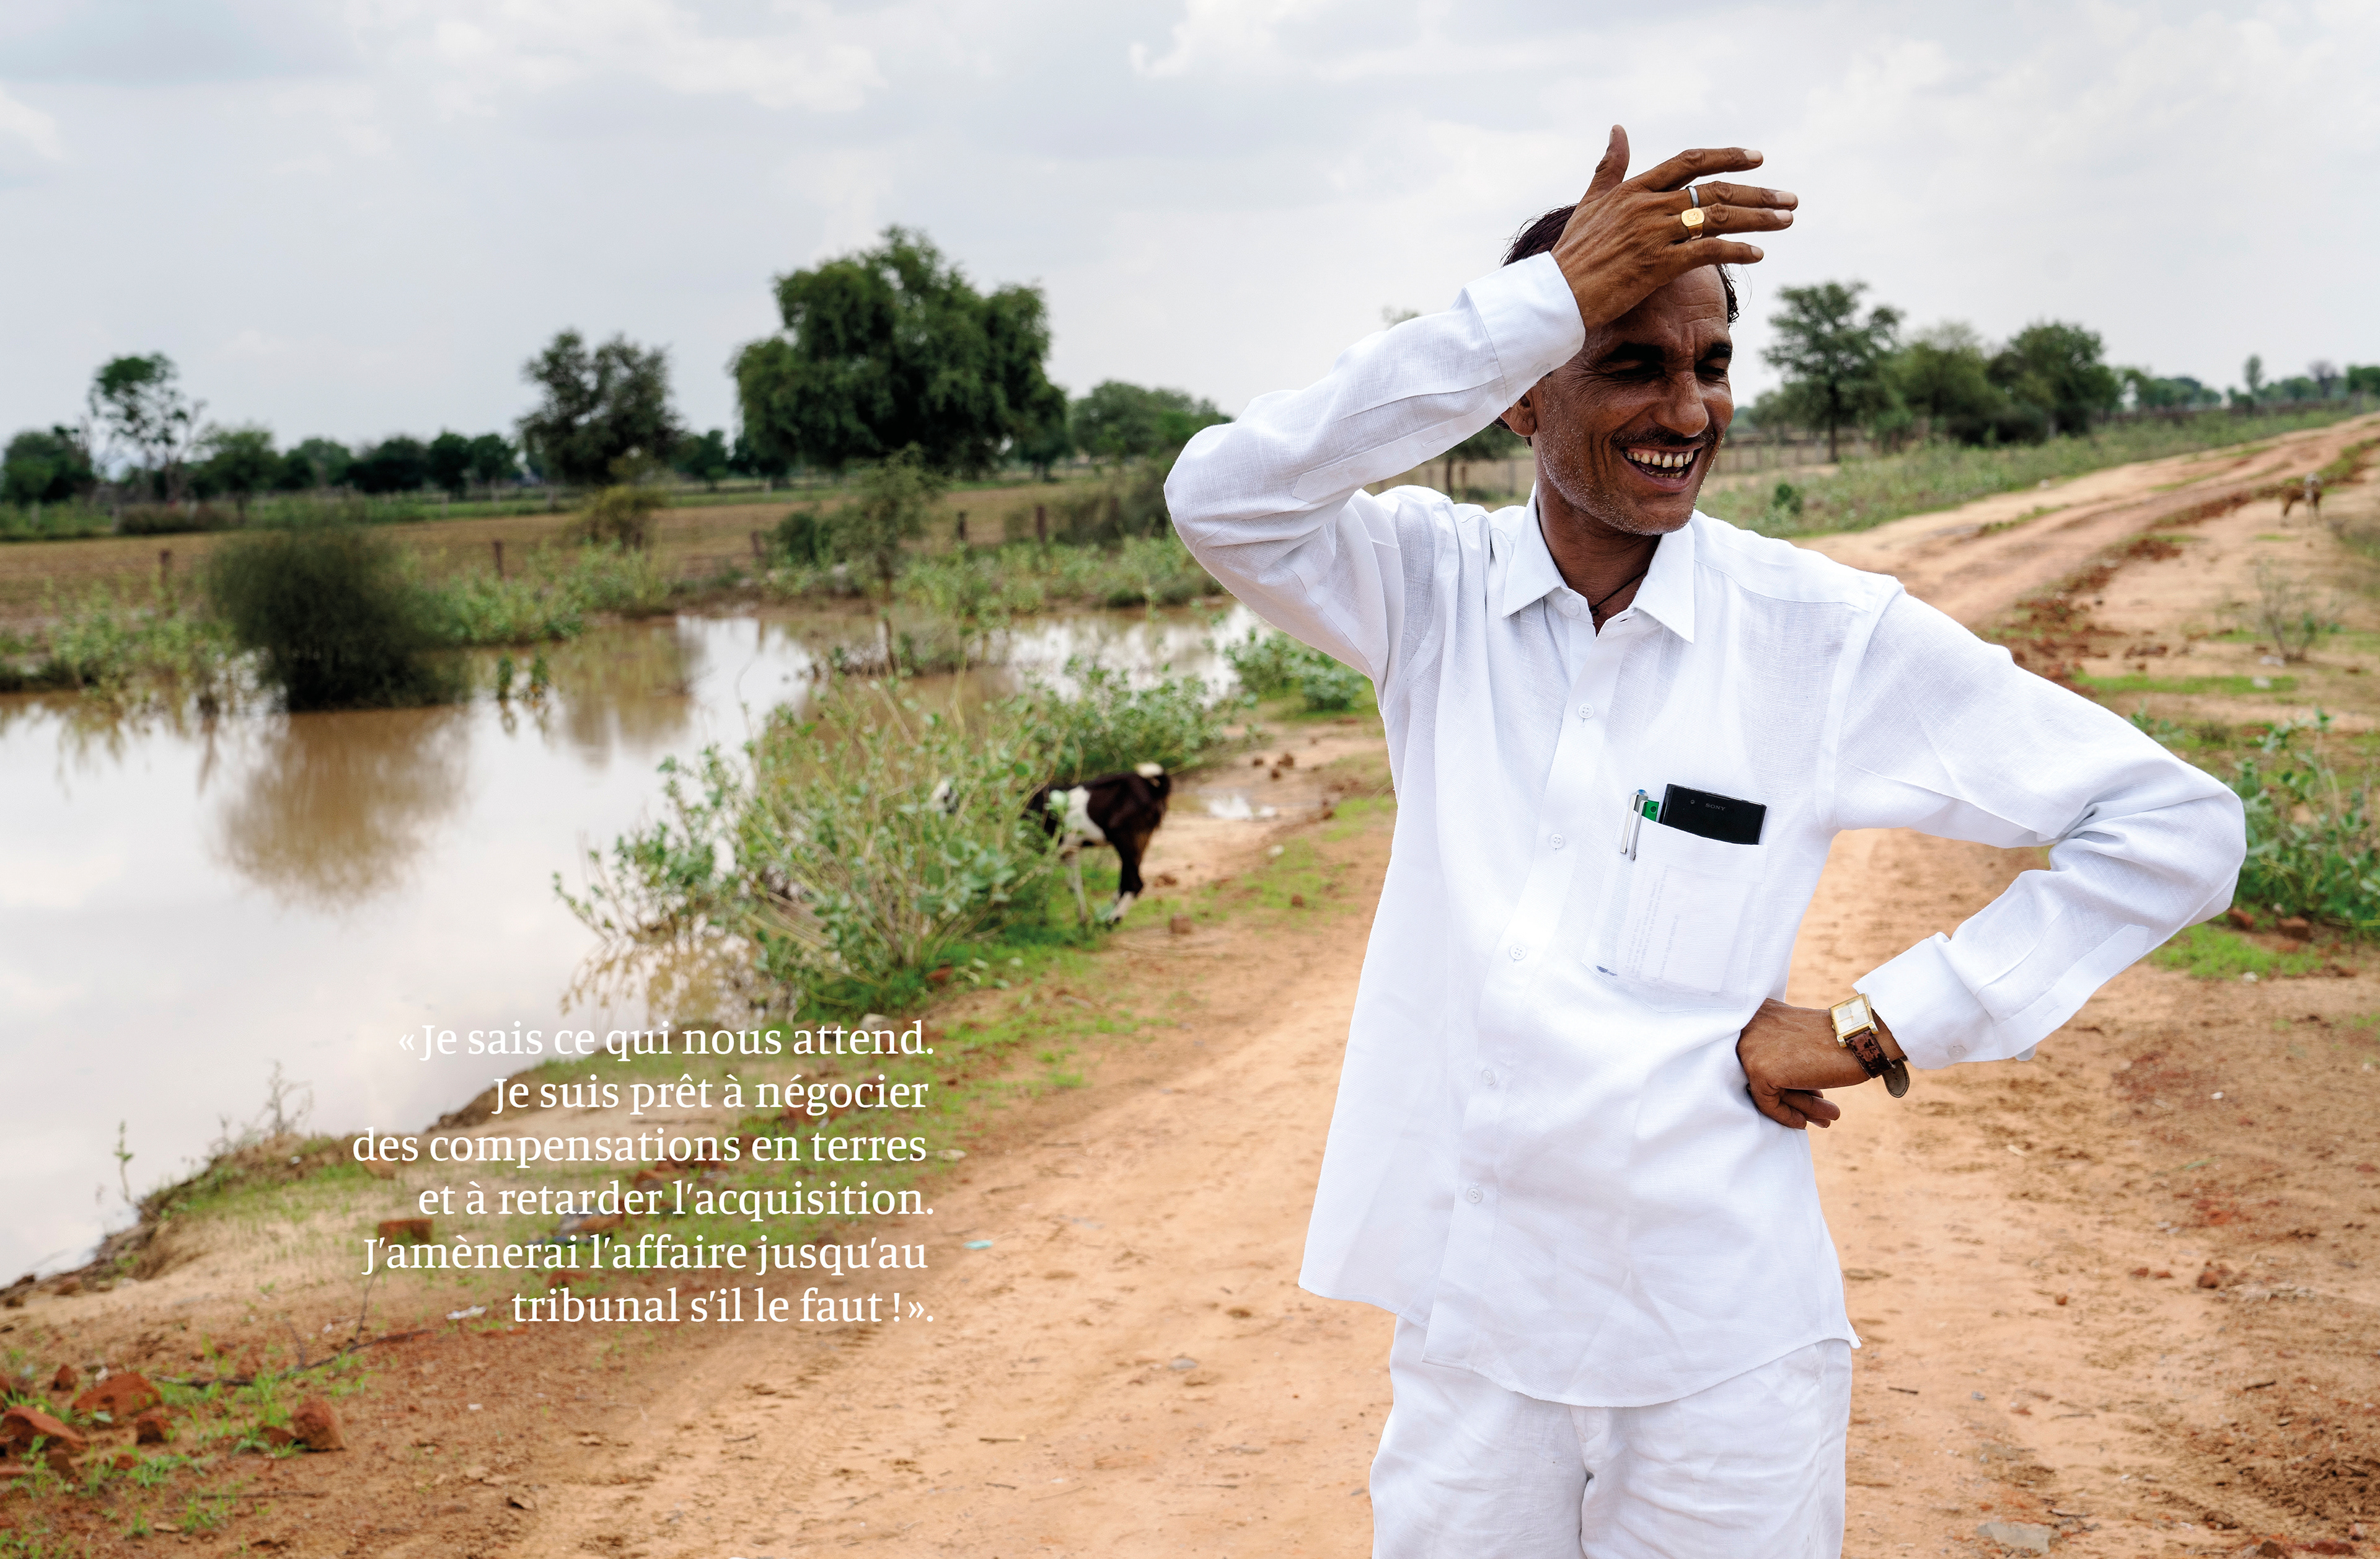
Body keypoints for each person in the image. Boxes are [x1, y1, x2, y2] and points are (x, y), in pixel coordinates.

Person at [1165, 126, 2246, 1557]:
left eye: (1712, 364)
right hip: (1475, 1344)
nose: (1686, 407)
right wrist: (1540, 300)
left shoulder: (1821, 638)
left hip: (1720, 1361)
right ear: (1519, 394)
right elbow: (1221, 497)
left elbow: (2177, 824)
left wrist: (1884, 1020)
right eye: (1629, 361)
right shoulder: (1426, 590)